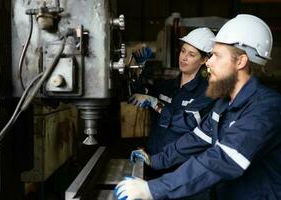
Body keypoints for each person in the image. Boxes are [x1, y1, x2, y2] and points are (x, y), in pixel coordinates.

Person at [115, 14, 281, 200]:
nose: (209, 62)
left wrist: (154, 189)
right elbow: (194, 141)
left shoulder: (266, 108)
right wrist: (153, 160)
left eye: (217, 55)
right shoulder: (223, 104)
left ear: (240, 61)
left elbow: (223, 160)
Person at [129, 27, 216, 154]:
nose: (184, 58)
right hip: (154, 157)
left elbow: (189, 122)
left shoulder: (207, 92)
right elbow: (139, 93)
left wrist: (156, 103)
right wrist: (138, 68)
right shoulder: (167, 86)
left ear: (204, 60)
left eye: (191, 54)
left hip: (181, 166)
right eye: (183, 51)